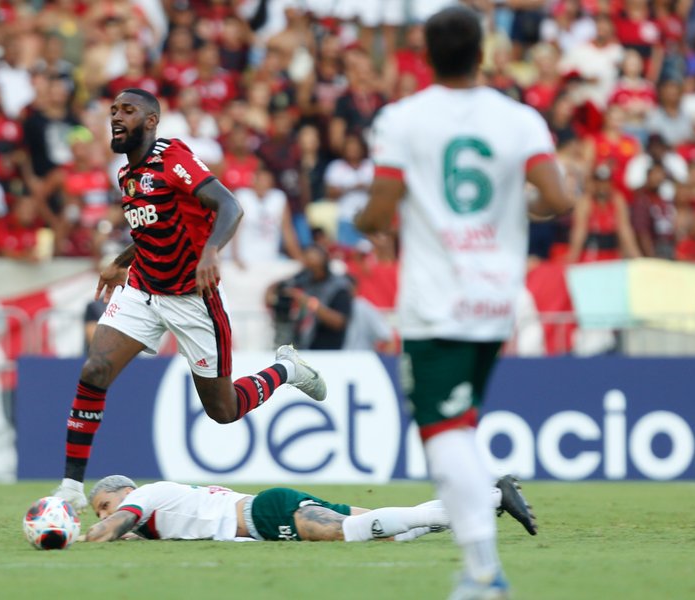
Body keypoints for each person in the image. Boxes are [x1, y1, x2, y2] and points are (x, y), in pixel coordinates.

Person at [355, 7, 573, 599]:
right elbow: (557, 195)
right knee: (460, 421)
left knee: (443, 430)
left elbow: (380, 209)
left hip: (437, 299)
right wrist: (511, 209)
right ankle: (481, 561)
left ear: (424, 55)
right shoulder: (520, 119)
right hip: (497, 297)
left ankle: (483, 573)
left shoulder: (403, 119)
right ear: (484, 53)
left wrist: (364, 217)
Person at [53, 89, 327, 512]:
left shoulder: (173, 158)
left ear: (151, 121)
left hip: (192, 296)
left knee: (223, 409)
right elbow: (152, 230)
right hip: (144, 289)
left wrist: (211, 251)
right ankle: (69, 490)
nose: (116, 117)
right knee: (95, 368)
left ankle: (288, 368)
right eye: (113, 111)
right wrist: (119, 261)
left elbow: (230, 206)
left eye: (128, 110)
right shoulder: (127, 175)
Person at [81, 473, 537, 544]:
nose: (104, 514)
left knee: (356, 533)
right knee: (392, 531)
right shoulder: (151, 512)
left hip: (265, 514)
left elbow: (118, 525)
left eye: (104, 504)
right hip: (265, 509)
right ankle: (485, 498)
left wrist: (78, 535)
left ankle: (494, 497)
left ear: (126, 491)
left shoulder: (145, 497)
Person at [266, 244, 353, 350]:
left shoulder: (339, 287)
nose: (311, 270)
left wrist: (310, 303)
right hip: (301, 346)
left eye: (314, 266)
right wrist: (271, 295)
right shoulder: (304, 278)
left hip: (328, 349)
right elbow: (279, 286)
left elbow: (339, 322)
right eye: (307, 265)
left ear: (324, 263)